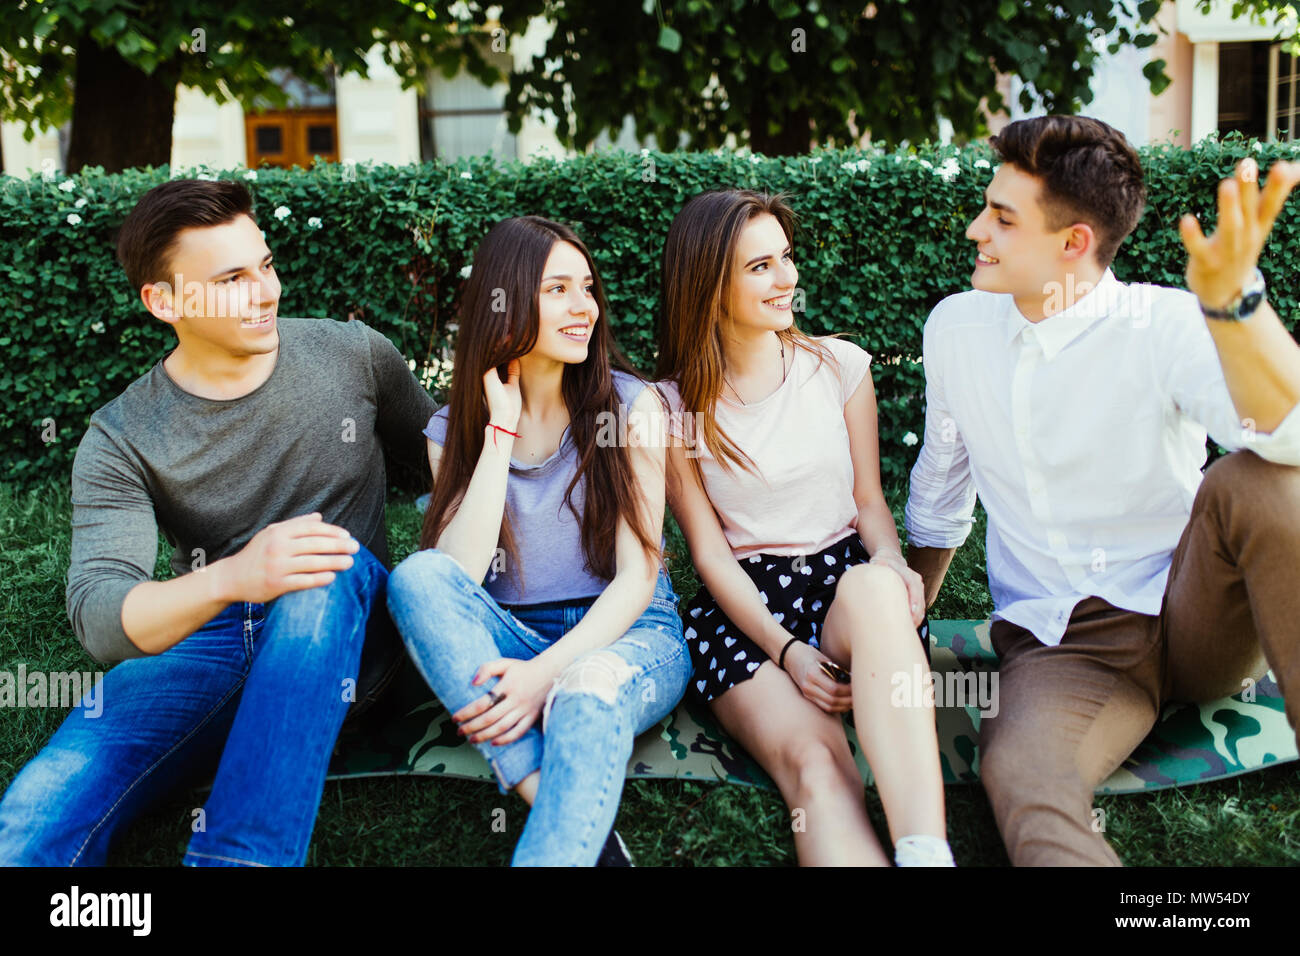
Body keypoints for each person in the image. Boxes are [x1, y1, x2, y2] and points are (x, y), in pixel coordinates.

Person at [0, 178, 435, 866]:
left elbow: (448, 468)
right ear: (163, 301)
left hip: (347, 638)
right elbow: (103, 615)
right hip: (210, 643)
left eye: (264, 265)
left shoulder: (354, 356)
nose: (265, 292)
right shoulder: (122, 437)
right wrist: (236, 576)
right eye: (232, 278)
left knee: (322, 563)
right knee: (40, 806)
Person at [905, 114, 1300, 865]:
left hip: (1195, 612)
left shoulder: (1165, 325)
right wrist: (907, 621)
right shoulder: (956, 329)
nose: (973, 230)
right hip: (1067, 649)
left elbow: (1292, 442)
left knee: (1263, 481)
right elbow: (942, 484)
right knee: (1022, 774)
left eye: (1001, 217)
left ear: (1074, 243)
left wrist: (1236, 309)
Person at [656, 189, 954, 866]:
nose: (786, 277)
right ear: (707, 284)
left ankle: (925, 851)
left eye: (785, 257)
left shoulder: (839, 367)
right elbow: (709, 555)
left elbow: (869, 501)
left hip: (846, 581)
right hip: (746, 611)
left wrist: (891, 561)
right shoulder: (670, 408)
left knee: (877, 589)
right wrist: (787, 650)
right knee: (817, 771)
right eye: (759, 266)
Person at [385, 215, 689, 867]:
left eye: (587, 288)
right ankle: (582, 830)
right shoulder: (451, 430)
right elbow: (456, 576)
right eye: (558, 290)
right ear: (507, 300)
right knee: (414, 578)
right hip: (508, 635)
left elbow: (638, 579)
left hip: (628, 635)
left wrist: (542, 678)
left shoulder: (633, 407)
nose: (585, 307)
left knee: (584, 688)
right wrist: (500, 429)